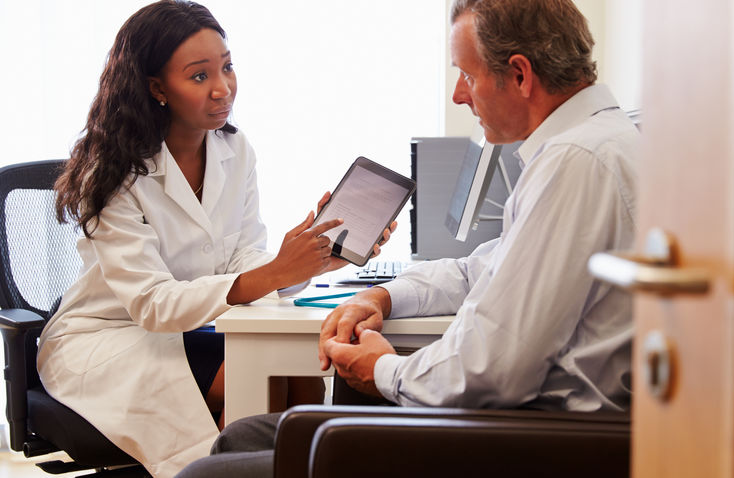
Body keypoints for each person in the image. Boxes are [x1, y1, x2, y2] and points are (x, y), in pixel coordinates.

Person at [175, 0, 638, 476]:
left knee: (204, 472)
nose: (460, 95)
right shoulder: (590, 147)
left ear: (519, 75)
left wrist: (382, 371)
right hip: (519, 420)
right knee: (240, 436)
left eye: (467, 75)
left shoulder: (576, 164)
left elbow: (489, 373)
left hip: (531, 438)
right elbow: (477, 270)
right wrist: (382, 296)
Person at [36, 1, 391, 477]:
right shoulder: (114, 172)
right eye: (199, 76)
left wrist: (314, 260)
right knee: (255, 375)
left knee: (301, 372)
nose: (223, 88)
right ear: (157, 87)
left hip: (191, 327)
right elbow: (152, 304)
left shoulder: (232, 148)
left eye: (227, 66)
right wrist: (273, 272)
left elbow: (242, 254)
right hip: (111, 338)